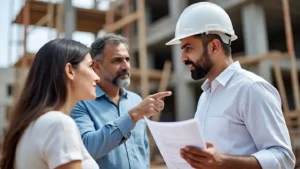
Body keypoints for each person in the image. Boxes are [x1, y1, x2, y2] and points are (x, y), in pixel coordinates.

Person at [165, 2, 295, 169]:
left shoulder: (251, 89)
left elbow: (284, 158)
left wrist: (222, 162)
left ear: (214, 47)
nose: (183, 58)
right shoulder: (205, 96)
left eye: (188, 48)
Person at [70, 33, 171, 169]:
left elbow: (143, 149)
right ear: (97, 66)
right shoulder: (81, 102)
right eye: (117, 60)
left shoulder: (136, 100)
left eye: (127, 60)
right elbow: (87, 148)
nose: (126, 66)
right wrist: (132, 117)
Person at [0, 39, 100, 169]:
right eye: (90, 66)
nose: (97, 77)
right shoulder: (59, 124)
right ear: (70, 70)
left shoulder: (30, 126)